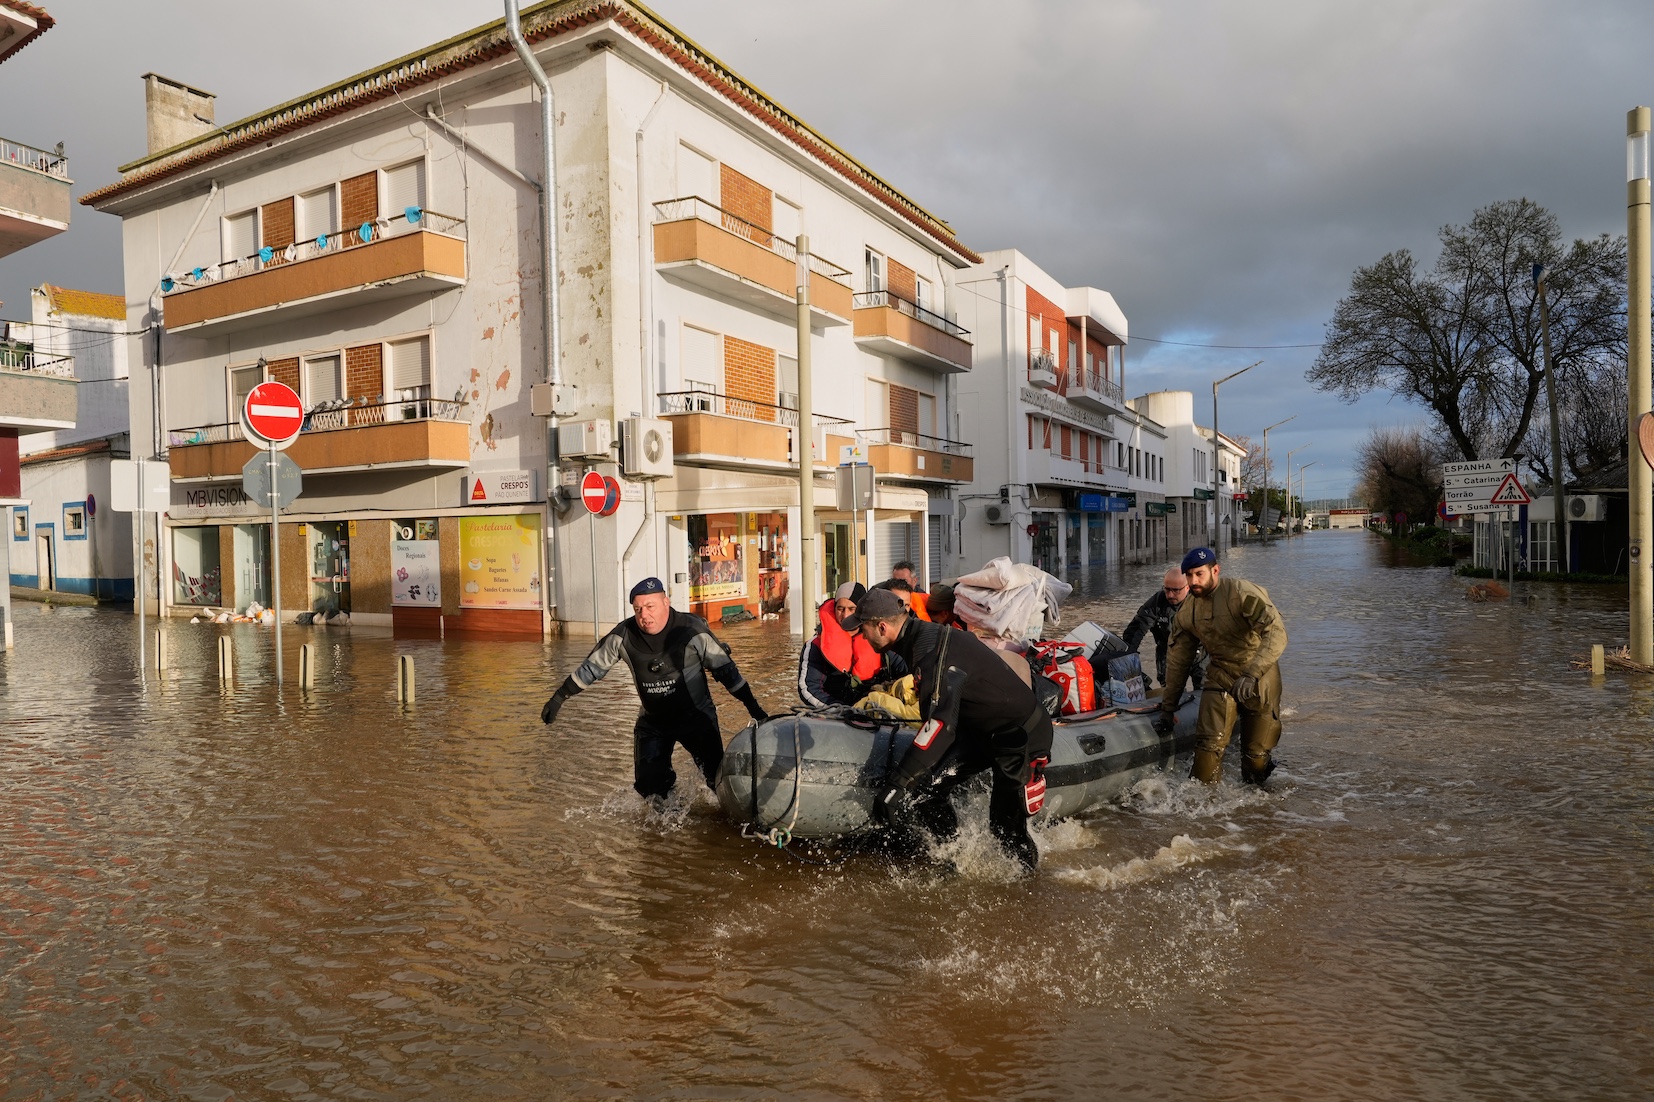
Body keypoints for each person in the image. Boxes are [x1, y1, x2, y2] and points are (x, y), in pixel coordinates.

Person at [848, 588, 1053, 871]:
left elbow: (939, 728)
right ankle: (953, 861)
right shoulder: (918, 638)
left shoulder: (933, 653)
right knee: (927, 792)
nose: (861, 637)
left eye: (863, 630)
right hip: (980, 729)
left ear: (882, 627)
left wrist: (896, 785)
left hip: (1019, 735)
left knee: (1004, 828)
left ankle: (1029, 889)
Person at [540, 578, 770, 800]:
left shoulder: (691, 630)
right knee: (650, 791)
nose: (644, 615)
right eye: (638, 609)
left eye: (650, 606)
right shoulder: (623, 636)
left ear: (665, 602)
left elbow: (727, 672)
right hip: (653, 723)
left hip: (696, 718)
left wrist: (754, 708)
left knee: (718, 781)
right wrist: (559, 698)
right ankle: (667, 831)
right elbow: (590, 669)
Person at [1155, 548, 1287, 785]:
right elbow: (1178, 660)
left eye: (1199, 574)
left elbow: (1276, 634)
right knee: (1207, 747)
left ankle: (1261, 806)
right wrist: (1168, 707)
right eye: (1189, 576)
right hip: (1220, 675)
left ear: (1215, 570)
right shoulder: (1189, 610)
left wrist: (1252, 674)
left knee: (1255, 757)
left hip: (1260, 676)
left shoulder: (1242, 594)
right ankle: (1203, 807)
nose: (1193, 581)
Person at [797, 581, 907, 708]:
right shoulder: (816, 645)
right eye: (840, 608)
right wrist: (840, 710)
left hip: (876, 707)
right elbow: (809, 688)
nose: (845, 615)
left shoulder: (881, 636)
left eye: (851, 609)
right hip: (836, 713)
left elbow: (904, 670)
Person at [1121, 567, 1205, 695]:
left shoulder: (1202, 601)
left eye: (1176, 590)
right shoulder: (1158, 601)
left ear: (1188, 587)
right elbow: (1137, 628)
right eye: (1167, 589)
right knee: (1171, 692)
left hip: (1199, 651)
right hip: (1168, 651)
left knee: (1206, 690)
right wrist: (1127, 657)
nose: (1170, 595)